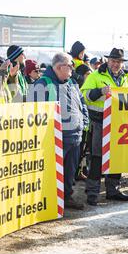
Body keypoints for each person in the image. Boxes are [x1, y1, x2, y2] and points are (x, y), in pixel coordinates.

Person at [31, 52, 88, 210]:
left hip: (75, 136)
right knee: (52, 172)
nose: (72, 69)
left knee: (70, 171)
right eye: (70, 65)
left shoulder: (72, 83)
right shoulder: (42, 83)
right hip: (55, 139)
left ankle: (66, 197)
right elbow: (35, 112)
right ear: (59, 67)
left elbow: (81, 104)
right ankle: (48, 202)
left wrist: (84, 122)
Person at [81, 48, 128, 205]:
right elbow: (85, 96)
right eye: (113, 61)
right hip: (99, 122)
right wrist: (100, 91)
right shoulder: (95, 76)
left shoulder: (127, 79)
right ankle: (92, 192)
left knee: (117, 157)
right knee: (97, 158)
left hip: (119, 124)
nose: (116, 64)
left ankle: (113, 190)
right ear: (108, 61)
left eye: (118, 62)